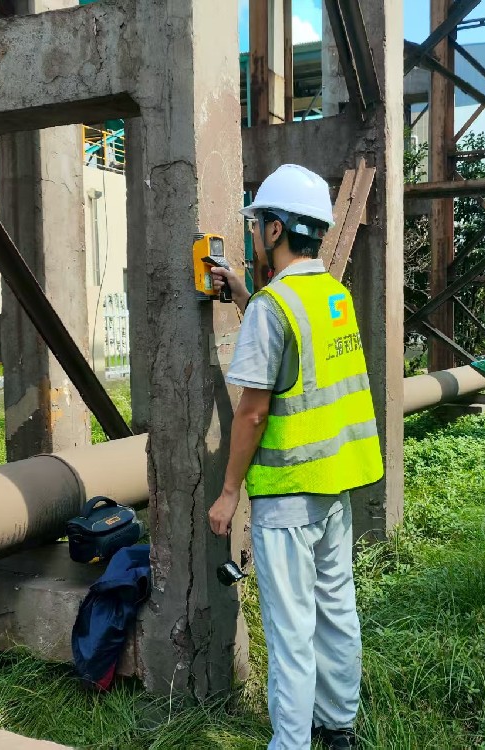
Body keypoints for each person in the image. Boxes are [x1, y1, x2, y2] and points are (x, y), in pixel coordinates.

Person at [207, 164, 384, 750]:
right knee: (336, 611)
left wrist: (229, 493)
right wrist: (242, 291)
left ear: (277, 229)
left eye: (259, 224)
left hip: (287, 496)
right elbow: (296, 351)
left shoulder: (271, 308)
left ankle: (291, 744)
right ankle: (338, 730)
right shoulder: (332, 294)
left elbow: (253, 412)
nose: (255, 233)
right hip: (337, 485)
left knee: (289, 632)